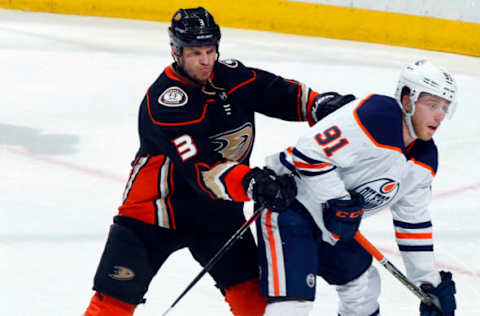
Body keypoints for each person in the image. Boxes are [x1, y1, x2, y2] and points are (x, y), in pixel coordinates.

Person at [83, 7, 352, 316]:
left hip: (216, 215)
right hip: (154, 214)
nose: (205, 60)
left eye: (210, 50)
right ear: (176, 51)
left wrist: (316, 104)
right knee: (111, 305)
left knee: (255, 305)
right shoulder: (166, 101)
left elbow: (272, 90)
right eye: (196, 52)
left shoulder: (229, 76)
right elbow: (202, 169)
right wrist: (251, 182)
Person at [256, 59, 458, 315]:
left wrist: (428, 283)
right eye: (431, 105)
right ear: (407, 100)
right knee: (294, 305)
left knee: (363, 286)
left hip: (331, 225)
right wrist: (337, 200)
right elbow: (307, 153)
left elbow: (413, 224)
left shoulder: (425, 159)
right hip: (290, 205)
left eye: (444, 107)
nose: (439, 115)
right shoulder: (377, 116)